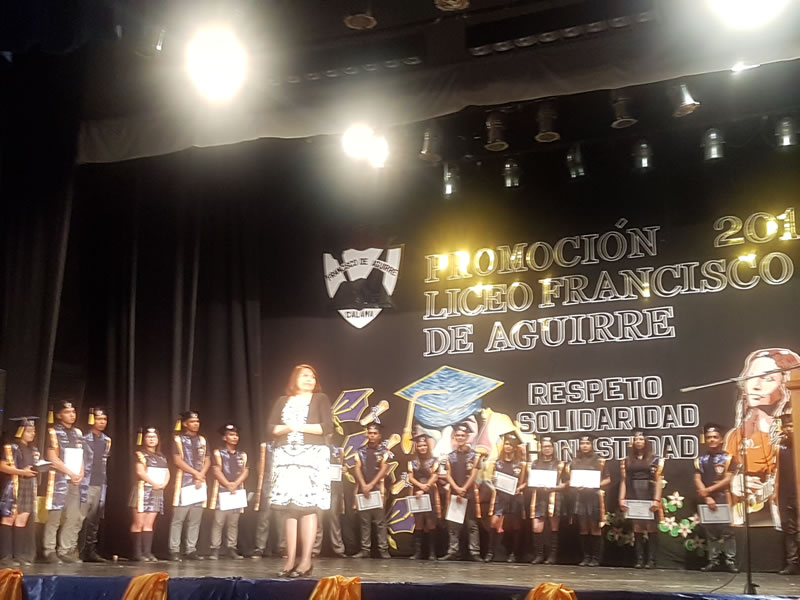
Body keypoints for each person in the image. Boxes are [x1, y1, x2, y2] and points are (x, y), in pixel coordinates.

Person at [269, 364, 333, 578]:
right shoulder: (282, 401)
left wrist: (296, 426)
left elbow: (326, 427)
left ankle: (306, 561)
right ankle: (289, 560)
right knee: (289, 509)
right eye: (305, 375)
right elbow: (271, 428)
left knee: (308, 508)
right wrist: (289, 428)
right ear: (294, 379)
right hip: (286, 456)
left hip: (311, 455)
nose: (309, 379)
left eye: (313, 376)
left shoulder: (320, 398)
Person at [725, 348, 800, 526]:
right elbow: (729, 470)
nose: (756, 385)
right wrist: (736, 483)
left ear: (786, 385)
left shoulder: (793, 436)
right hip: (753, 517)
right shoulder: (737, 435)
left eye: (768, 378)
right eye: (752, 376)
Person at [43, 399, 85, 564]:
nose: (72, 415)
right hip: (58, 480)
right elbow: (52, 458)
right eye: (67, 412)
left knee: (73, 516)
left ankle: (65, 550)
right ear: (59, 415)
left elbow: (81, 455)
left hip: (74, 480)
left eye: (73, 412)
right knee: (54, 516)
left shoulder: (77, 433)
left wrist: (80, 473)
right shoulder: (53, 432)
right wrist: (70, 472)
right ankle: (49, 550)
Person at [694, 422, 737, 572]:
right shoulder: (700, 460)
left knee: (727, 531)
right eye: (709, 437)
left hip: (724, 497)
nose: (711, 439)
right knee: (710, 531)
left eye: (715, 437)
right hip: (707, 499)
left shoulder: (728, 458)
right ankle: (713, 560)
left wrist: (708, 490)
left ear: (721, 439)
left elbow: (727, 479)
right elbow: (697, 479)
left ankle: (730, 560)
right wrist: (706, 496)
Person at [619, 429, 664, 568]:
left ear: (646, 441)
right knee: (637, 526)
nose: (638, 442)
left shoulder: (655, 459)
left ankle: (651, 560)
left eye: (641, 439)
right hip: (633, 491)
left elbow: (658, 480)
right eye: (636, 439)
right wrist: (621, 498)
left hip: (649, 491)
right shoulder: (627, 460)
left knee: (650, 526)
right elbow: (624, 480)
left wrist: (657, 499)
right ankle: (639, 559)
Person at [169, 409, 209, 561]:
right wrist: (195, 473)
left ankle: (191, 549)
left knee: (195, 519)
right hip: (184, 482)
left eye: (197, 421)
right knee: (179, 518)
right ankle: (174, 549)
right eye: (192, 421)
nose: (196, 424)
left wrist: (201, 474)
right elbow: (177, 460)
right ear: (185, 424)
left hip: (199, 483)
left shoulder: (202, 440)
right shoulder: (178, 439)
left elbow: (208, 460)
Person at [440, 421, 482, 562]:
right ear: (454, 437)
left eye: (463, 435)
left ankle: (474, 552)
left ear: (467, 437)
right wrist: (457, 489)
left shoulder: (475, 456)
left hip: (469, 493)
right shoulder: (449, 456)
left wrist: (463, 488)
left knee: (471, 524)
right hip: (455, 493)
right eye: (457, 435)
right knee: (453, 525)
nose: (460, 438)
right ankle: (453, 550)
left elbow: (474, 475)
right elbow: (448, 475)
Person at [0, 417, 40, 566]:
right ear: (20, 431)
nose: (32, 434)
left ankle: (19, 555)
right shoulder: (11, 447)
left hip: (28, 485)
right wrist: (21, 472)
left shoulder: (33, 449)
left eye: (33, 431)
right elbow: (2, 466)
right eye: (29, 431)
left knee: (22, 520)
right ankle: (5, 556)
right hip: (14, 484)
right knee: (9, 518)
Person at [567, 433, 610, 567]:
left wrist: (595, 485)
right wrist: (574, 484)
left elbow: (608, 479)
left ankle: (596, 558)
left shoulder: (599, 460)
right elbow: (570, 479)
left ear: (592, 445)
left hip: (594, 496)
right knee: (583, 527)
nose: (584, 446)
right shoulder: (575, 461)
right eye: (582, 443)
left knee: (595, 527)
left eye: (587, 443)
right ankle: (586, 557)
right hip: (580, 497)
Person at [209, 423, 248, 560]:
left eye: (236, 435)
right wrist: (227, 484)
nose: (234, 437)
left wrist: (235, 484)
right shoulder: (218, 452)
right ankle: (215, 548)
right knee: (219, 521)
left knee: (233, 522)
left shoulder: (242, 454)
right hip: (222, 491)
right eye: (231, 435)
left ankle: (232, 547)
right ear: (224, 437)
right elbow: (216, 470)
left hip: (237, 491)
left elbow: (246, 471)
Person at [129, 426, 170, 562]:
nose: (151, 439)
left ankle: (147, 552)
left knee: (149, 523)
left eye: (154, 437)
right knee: (138, 522)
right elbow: (140, 472)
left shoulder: (161, 456)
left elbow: (167, 472)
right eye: (148, 437)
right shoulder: (140, 454)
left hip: (156, 491)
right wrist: (153, 483)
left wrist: (163, 484)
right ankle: (137, 553)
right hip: (143, 490)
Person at [486, 432, 527, 563]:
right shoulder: (497, 463)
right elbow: (489, 480)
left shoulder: (521, 464)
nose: (508, 447)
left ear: (515, 447)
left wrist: (519, 488)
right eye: (506, 444)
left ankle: (513, 553)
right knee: (493, 523)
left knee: (515, 525)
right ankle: (490, 552)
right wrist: (493, 481)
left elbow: (526, 481)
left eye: (511, 445)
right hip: (500, 497)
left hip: (515, 497)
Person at [352, 421, 391, 559]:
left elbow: (384, 469)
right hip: (363, 490)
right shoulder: (360, 451)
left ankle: (383, 549)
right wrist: (364, 485)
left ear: (379, 435)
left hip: (378, 490)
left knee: (380, 522)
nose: (372, 435)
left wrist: (371, 484)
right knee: (364, 522)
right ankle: (365, 549)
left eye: (375, 433)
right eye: (370, 433)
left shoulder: (384, 452)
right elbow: (357, 468)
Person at [79, 407, 112, 562]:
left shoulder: (106, 440)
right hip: (86, 483)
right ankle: (77, 550)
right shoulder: (83, 439)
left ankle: (90, 551)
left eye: (104, 419)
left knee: (94, 519)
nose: (102, 422)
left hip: (100, 483)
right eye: (99, 419)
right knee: (82, 518)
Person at [530, 436, 566, 565]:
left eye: (549, 446)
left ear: (553, 448)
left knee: (554, 526)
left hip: (554, 497)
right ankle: (539, 555)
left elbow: (566, 483)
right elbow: (530, 480)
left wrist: (554, 488)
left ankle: (552, 556)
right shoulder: (535, 463)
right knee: (536, 527)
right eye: (544, 446)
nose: (547, 449)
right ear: (541, 448)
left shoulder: (560, 464)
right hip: (538, 497)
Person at [407, 429, 440, 560]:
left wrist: (425, 487)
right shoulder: (412, 462)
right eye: (420, 445)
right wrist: (420, 487)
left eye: (424, 445)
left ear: (428, 446)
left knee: (431, 522)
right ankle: (418, 552)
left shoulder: (434, 460)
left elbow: (435, 476)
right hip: (417, 493)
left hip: (430, 492)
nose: (422, 448)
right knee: (419, 522)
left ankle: (432, 552)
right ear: (417, 447)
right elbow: (410, 477)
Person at [777, 410, 799, 574]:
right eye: (786, 426)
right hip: (785, 492)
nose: (789, 429)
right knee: (788, 528)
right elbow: (778, 471)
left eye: (791, 425)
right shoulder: (781, 447)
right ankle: (792, 562)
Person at [251, 440, 273, 559]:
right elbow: (260, 465)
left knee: (284, 518)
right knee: (264, 517)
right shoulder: (267, 446)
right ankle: (260, 547)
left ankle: (283, 547)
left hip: (285, 480)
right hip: (269, 482)